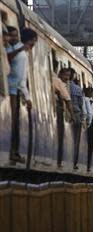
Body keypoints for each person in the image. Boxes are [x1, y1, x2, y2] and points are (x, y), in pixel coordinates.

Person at [7, 28, 37, 163]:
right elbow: (21, 78)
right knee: (14, 122)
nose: (34, 45)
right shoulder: (22, 54)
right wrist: (28, 97)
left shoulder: (14, 50)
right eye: (33, 41)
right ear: (28, 41)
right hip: (13, 90)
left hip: (12, 88)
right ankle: (14, 152)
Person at [53, 67, 72, 167]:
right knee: (60, 136)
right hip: (59, 111)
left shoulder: (57, 80)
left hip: (58, 110)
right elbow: (67, 100)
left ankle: (59, 161)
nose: (67, 78)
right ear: (60, 74)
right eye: (66, 75)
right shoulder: (58, 81)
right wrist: (72, 115)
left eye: (68, 76)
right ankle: (59, 161)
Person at [69, 68, 84, 170]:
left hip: (67, 114)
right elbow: (81, 104)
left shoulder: (64, 85)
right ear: (74, 76)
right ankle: (74, 162)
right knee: (76, 140)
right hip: (77, 115)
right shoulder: (78, 89)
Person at [83, 87, 93, 172]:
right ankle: (87, 164)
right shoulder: (84, 100)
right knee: (89, 144)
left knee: (91, 145)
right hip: (87, 123)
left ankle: (89, 164)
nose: (90, 94)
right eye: (89, 92)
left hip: (92, 124)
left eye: (91, 92)